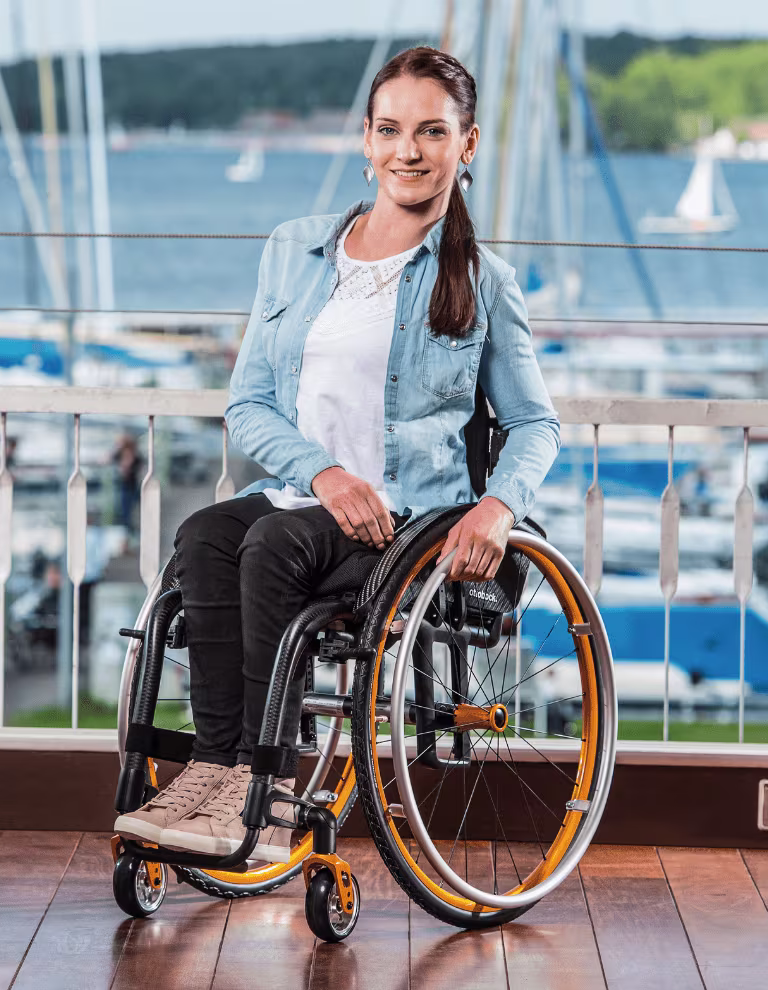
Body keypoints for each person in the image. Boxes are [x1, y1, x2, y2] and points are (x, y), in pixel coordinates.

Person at [114, 47, 560, 863]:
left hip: (407, 522)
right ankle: (214, 770)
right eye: (391, 130)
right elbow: (247, 403)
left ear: (468, 146)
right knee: (206, 536)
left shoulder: (483, 280)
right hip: (307, 497)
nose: (409, 151)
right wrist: (322, 472)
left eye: (432, 131)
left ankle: (266, 781)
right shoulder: (296, 249)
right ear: (366, 140)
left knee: (269, 544)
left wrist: (498, 507)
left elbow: (536, 424)